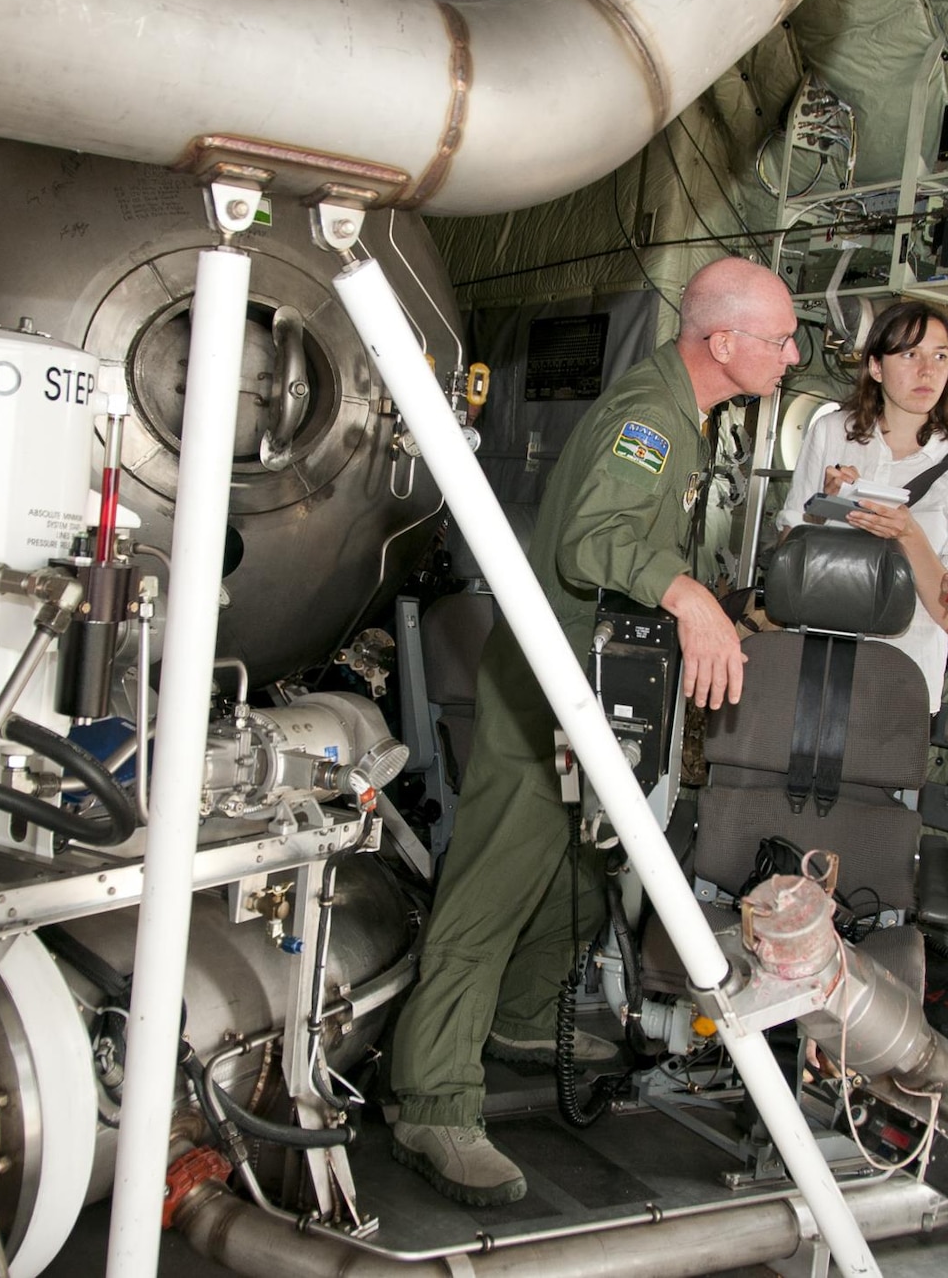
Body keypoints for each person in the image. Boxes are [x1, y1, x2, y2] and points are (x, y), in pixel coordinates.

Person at [386, 256, 800, 1206]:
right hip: (548, 688)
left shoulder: (685, 417)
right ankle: (432, 1102)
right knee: (493, 881)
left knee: (584, 860)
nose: (788, 355)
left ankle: (526, 1018)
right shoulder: (653, 420)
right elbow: (590, 542)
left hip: (590, 680)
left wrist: (719, 599)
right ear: (723, 341)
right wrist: (686, 592)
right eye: (777, 338)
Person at [777, 299, 948, 705]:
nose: (928, 370)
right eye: (910, 354)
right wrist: (821, 510)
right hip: (817, 660)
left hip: (901, 677)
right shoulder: (831, 433)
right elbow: (788, 557)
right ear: (876, 367)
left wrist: (908, 534)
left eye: (940, 356)